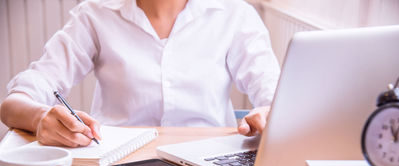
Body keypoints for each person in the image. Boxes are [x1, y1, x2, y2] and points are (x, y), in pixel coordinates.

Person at [0, 0, 280, 147]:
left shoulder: (235, 14)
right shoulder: (93, 15)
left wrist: (272, 111)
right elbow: (13, 105)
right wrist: (40, 118)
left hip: (210, 165)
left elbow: (275, 94)